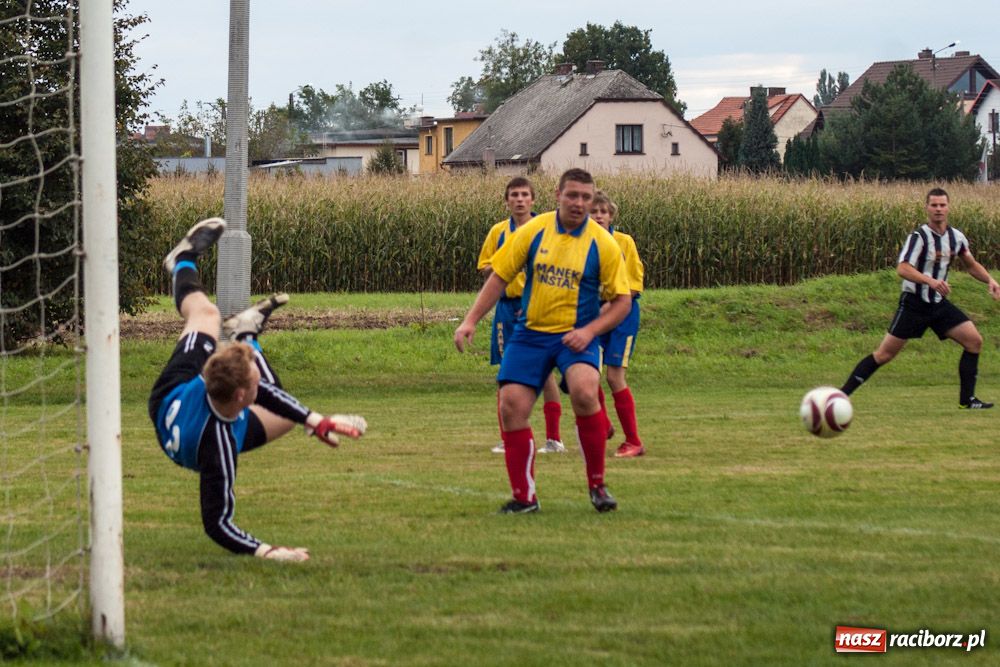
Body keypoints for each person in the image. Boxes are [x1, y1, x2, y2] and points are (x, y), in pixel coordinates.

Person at [149, 218, 368, 562]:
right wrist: (268, 552)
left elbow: (264, 393)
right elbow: (217, 524)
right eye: (253, 381)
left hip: (183, 393)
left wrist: (316, 420)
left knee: (206, 314)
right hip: (173, 401)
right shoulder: (218, 446)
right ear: (240, 396)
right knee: (280, 407)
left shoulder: (217, 380)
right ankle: (243, 330)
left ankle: (184, 263)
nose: (259, 383)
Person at [454, 168, 632, 514]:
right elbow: (499, 277)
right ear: (557, 195)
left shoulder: (603, 243)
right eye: (572, 195)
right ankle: (525, 498)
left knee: (584, 391)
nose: (579, 203)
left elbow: (622, 301)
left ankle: (597, 485)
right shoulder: (534, 230)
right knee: (511, 406)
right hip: (531, 334)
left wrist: (590, 331)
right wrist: (470, 320)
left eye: (586, 197)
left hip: (576, 336)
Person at [840, 188, 1000, 407]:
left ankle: (968, 400)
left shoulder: (956, 237)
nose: (938, 209)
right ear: (927, 208)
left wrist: (990, 280)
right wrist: (930, 281)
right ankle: (840, 396)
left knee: (974, 341)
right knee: (884, 354)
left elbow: (971, 265)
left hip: (938, 305)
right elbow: (903, 268)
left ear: (948, 207)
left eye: (942, 205)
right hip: (914, 304)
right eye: (934, 205)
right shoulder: (919, 237)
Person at [477, 177, 565, 455]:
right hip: (506, 309)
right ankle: (508, 439)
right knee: (506, 374)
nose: (519, 199)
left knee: (546, 374)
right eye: (514, 195)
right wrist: (506, 265)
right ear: (507, 201)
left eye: (524, 194)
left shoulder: (546, 231)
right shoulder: (498, 232)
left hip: (537, 310)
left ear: (533, 200)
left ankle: (554, 439)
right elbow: (485, 268)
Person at [589, 191, 646, 458]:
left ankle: (633, 441)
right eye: (593, 212)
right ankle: (603, 424)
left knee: (614, 377)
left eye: (603, 212)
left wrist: (610, 305)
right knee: (587, 374)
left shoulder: (624, 242)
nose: (598, 216)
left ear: (611, 215)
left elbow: (633, 285)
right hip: (593, 316)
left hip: (622, 315)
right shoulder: (582, 244)